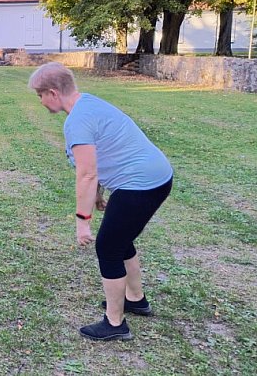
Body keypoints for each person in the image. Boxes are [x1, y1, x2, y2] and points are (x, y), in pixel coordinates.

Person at [28, 62, 173, 341]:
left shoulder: (77, 121)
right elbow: (103, 155)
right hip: (157, 177)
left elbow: (86, 174)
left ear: (53, 93)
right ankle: (135, 299)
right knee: (120, 239)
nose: (41, 101)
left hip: (140, 185)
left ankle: (115, 324)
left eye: (40, 95)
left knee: (108, 247)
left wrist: (83, 222)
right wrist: (99, 195)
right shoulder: (89, 103)